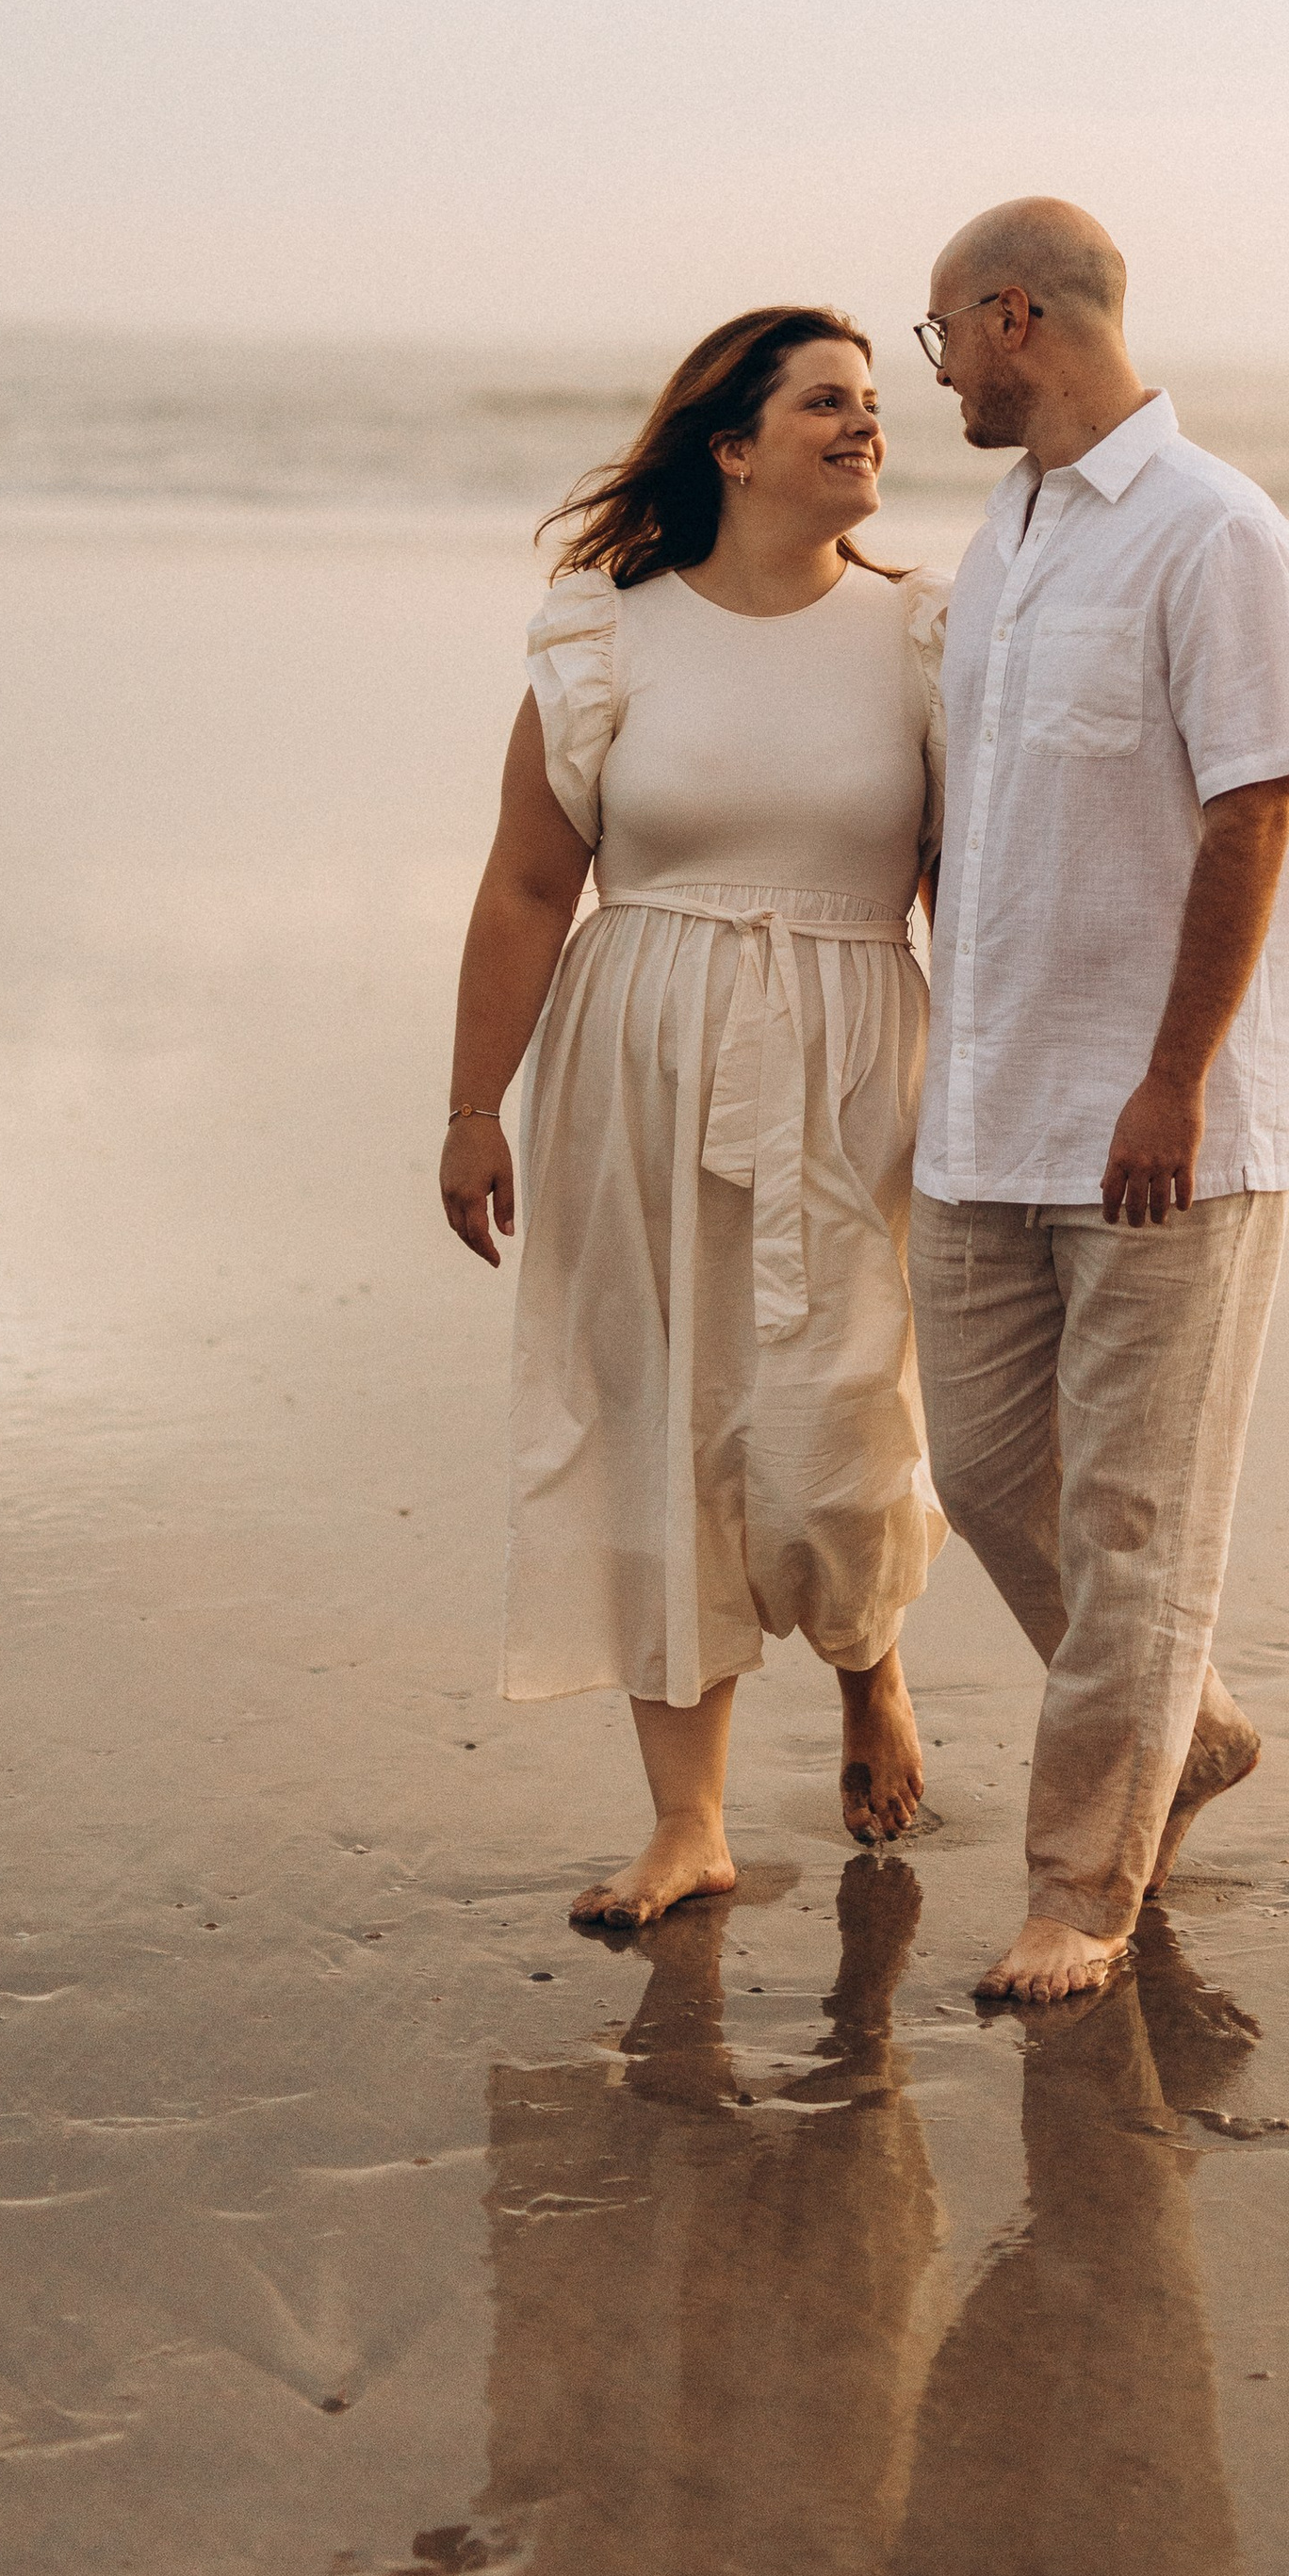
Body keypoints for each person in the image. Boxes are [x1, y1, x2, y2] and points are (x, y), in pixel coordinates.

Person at [440, 309, 951, 1926]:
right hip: (639, 1056)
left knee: (837, 1424)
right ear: (732, 445)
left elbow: (973, 891)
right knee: (665, 1413)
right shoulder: (607, 638)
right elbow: (531, 881)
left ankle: (871, 1667)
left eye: (874, 403)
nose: (866, 426)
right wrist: (474, 1106)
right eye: (827, 403)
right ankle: (689, 1821)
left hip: (858, 1059)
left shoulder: (929, 636)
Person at [907, 197, 1289, 2004]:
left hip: (1166, 1120)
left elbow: (1259, 804)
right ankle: (1195, 1724)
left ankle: (1084, 1887)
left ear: (1014, 316)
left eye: (941, 341)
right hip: (985, 1106)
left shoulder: (1213, 532)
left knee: (1138, 1516)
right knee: (997, 1472)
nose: (937, 377)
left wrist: (1175, 1077)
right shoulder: (1004, 536)